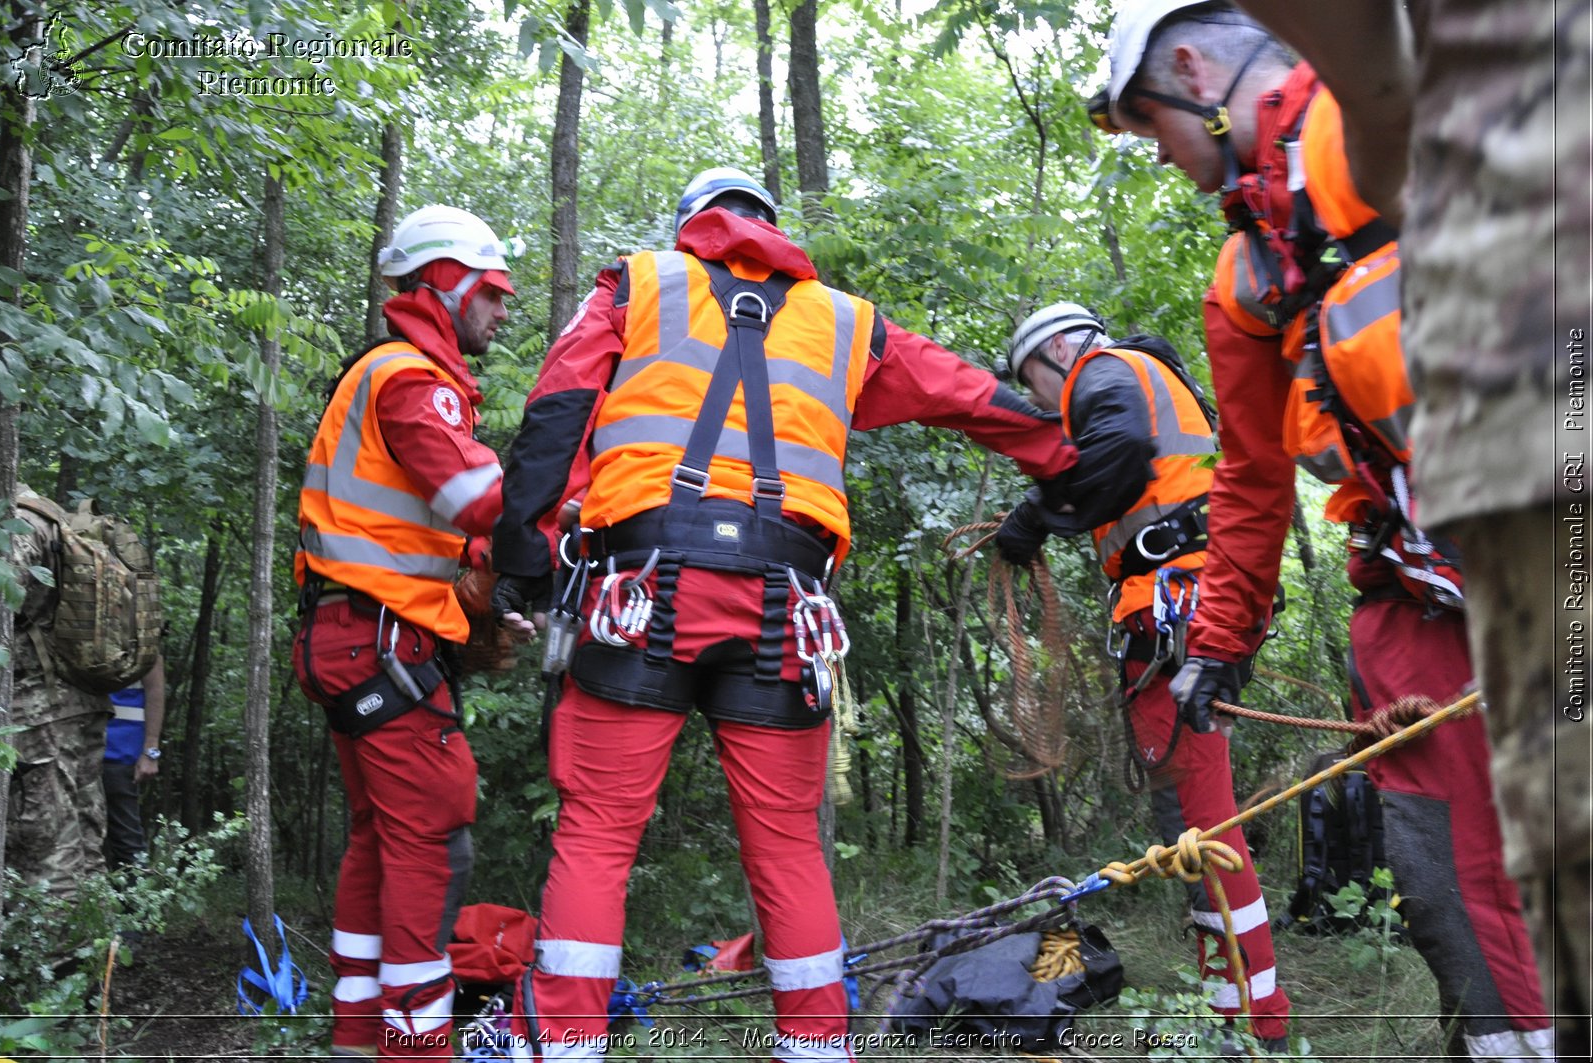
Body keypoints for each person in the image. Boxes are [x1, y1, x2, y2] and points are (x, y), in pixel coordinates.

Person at [489, 166, 1077, 1062]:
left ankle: (566, 1045)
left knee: (600, 831)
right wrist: (1071, 453)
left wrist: (524, 558)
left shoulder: (636, 283)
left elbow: (558, 408)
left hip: (640, 593)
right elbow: (968, 394)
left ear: (691, 224)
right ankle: (816, 1049)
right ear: (771, 225)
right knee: (789, 843)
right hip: (784, 606)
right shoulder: (845, 322)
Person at [1090, 3, 1555, 1059]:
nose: (1161, 159)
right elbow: (1252, 478)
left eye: (1148, 127)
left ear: (1195, 70)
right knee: (1445, 877)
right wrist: (1216, 642)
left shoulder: (1388, 104)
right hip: (1419, 598)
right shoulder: (1247, 277)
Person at [993, 303, 1290, 1052]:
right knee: (1188, 822)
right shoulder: (1143, 378)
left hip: (1177, 608)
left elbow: (1118, 447)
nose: (1035, 397)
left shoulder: (1106, 371)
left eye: (1031, 375)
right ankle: (1232, 1001)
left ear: (1059, 348)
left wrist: (1037, 514)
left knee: (1204, 822)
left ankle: (1256, 1021)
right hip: (1183, 604)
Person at [292, 204, 516, 1058]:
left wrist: (485, 596)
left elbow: (430, 535)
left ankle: (359, 1035)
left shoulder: (394, 374)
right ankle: (416, 1048)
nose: (504, 307)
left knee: (382, 840)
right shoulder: (409, 379)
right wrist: (578, 496)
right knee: (433, 842)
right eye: (493, 291)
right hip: (379, 643)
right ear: (447, 284)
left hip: (355, 637)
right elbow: (479, 501)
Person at [3, 484, 111, 900]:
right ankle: (96, 953)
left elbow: (4, 597)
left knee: (49, 846)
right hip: (81, 699)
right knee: (85, 838)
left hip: (39, 710)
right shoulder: (51, 514)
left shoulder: (16, 522)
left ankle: (58, 960)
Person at [102, 654, 165, 871]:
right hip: (72, 751)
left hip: (120, 753)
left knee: (126, 842)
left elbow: (155, 690)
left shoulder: (140, 632)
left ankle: (137, 903)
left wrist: (150, 752)